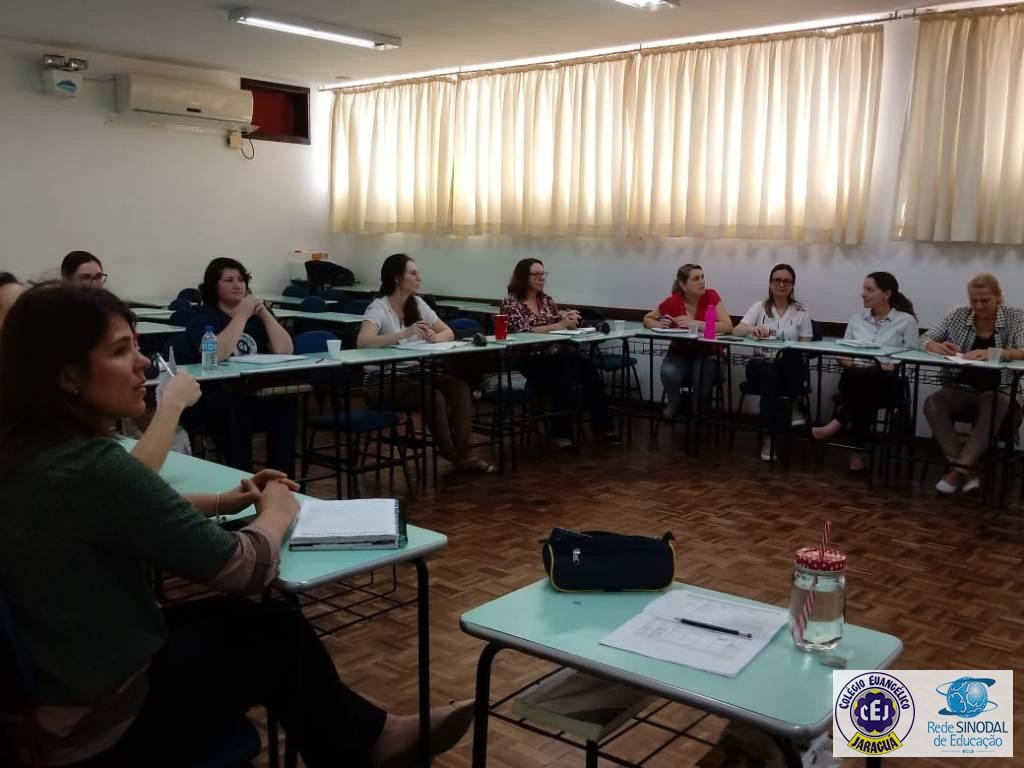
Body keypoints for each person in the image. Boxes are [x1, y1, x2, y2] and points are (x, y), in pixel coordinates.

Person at [0, 283, 473, 768]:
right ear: (68, 377)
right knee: (274, 633)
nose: (143, 363)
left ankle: (372, 737)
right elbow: (247, 570)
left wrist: (226, 501)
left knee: (253, 623)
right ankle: (370, 747)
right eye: (122, 351)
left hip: (59, 688)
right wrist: (277, 512)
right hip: (100, 717)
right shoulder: (91, 465)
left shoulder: (29, 450)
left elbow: (120, 509)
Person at [357, 254, 495, 473]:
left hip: (414, 372)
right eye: (413, 274)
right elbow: (363, 341)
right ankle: (451, 453)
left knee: (459, 387)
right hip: (383, 380)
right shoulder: (379, 307)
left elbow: (448, 331)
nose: (419, 278)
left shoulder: (418, 303)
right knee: (432, 396)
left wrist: (435, 337)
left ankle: (466, 453)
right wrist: (403, 334)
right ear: (397, 279)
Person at [185, 257, 297, 475]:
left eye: (241, 279)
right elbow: (216, 354)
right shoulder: (203, 316)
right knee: (233, 406)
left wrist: (264, 313)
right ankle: (242, 479)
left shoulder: (257, 317)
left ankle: (281, 479)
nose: (238, 285)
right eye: (229, 280)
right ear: (214, 286)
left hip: (252, 392)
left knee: (285, 403)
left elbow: (285, 350)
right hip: (215, 396)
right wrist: (243, 315)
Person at [920, 274, 1024, 494]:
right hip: (961, 387)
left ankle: (956, 473)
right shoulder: (958, 314)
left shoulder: (1016, 317)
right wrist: (936, 346)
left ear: (998, 297)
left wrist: (994, 353)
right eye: (973, 300)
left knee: (995, 405)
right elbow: (924, 339)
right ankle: (968, 471)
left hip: (1000, 389)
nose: (978, 306)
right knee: (933, 404)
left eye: (985, 300)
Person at [499, 258, 619, 447]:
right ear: (523, 277)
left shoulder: (546, 300)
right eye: (536, 274)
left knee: (588, 369)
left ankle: (602, 426)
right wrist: (560, 324)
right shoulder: (511, 302)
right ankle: (559, 432)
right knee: (562, 376)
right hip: (529, 358)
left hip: (556, 353)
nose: (541, 278)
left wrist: (568, 320)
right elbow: (522, 331)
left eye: (543, 274)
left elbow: (557, 323)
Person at [811, 272, 919, 472]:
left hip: (888, 383)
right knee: (863, 382)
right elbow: (842, 353)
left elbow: (911, 361)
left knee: (868, 382)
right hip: (854, 378)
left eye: (869, 289)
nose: (863, 294)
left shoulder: (906, 321)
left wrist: (885, 367)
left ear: (886, 294)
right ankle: (853, 452)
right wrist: (853, 364)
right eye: (864, 289)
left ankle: (838, 429)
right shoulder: (857, 319)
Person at [733, 264, 813, 460]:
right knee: (770, 373)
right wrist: (752, 329)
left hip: (788, 368)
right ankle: (794, 406)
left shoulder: (801, 310)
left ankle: (769, 438)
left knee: (776, 374)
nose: (781, 284)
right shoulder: (758, 307)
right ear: (770, 284)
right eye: (777, 280)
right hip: (759, 364)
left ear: (792, 285)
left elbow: (806, 347)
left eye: (786, 281)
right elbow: (736, 331)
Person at [642, 264, 732, 419]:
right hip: (680, 354)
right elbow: (647, 319)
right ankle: (674, 402)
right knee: (668, 371)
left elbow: (728, 326)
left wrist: (696, 323)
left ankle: (697, 408)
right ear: (683, 285)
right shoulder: (674, 301)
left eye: (702, 277)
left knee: (702, 372)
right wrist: (659, 324)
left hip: (708, 354)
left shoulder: (711, 295)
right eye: (696, 279)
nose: (702, 281)